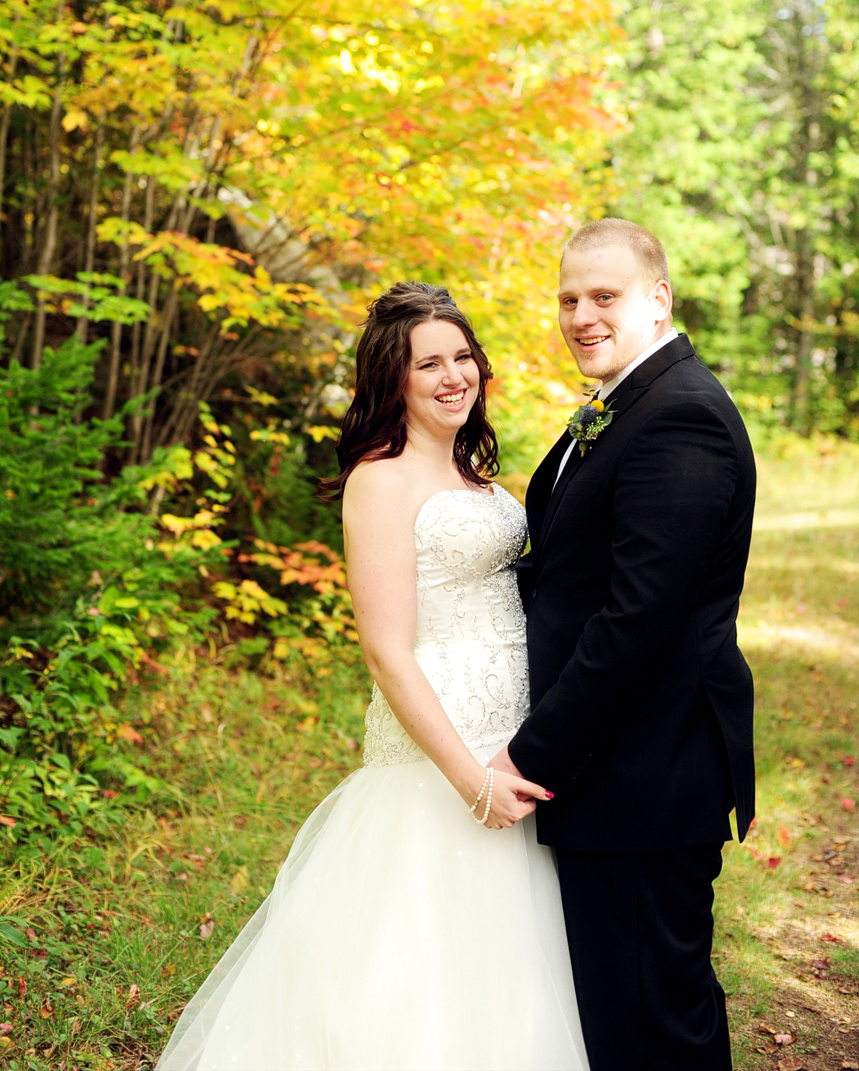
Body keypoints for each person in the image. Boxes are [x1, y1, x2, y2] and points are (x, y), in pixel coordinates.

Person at [155, 282, 589, 1071]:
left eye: (464, 358)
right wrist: (470, 780)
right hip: (439, 760)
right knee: (414, 971)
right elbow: (387, 651)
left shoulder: (474, 471)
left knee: (508, 966)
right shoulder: (379, 479)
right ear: (394, 379)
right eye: (431, 363)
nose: (454, 376)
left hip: (513, 740)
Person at [490, 218, 756, 1071]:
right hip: (617, 772)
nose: (580, 316)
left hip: (646, 774)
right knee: (616, 1010)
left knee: (653, 1021)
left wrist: (528, 755)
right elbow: (567, 575)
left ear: (658, 298)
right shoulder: (623, 404)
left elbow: (637, 624)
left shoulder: (683, 419)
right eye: (568, 299)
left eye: (604, 296)